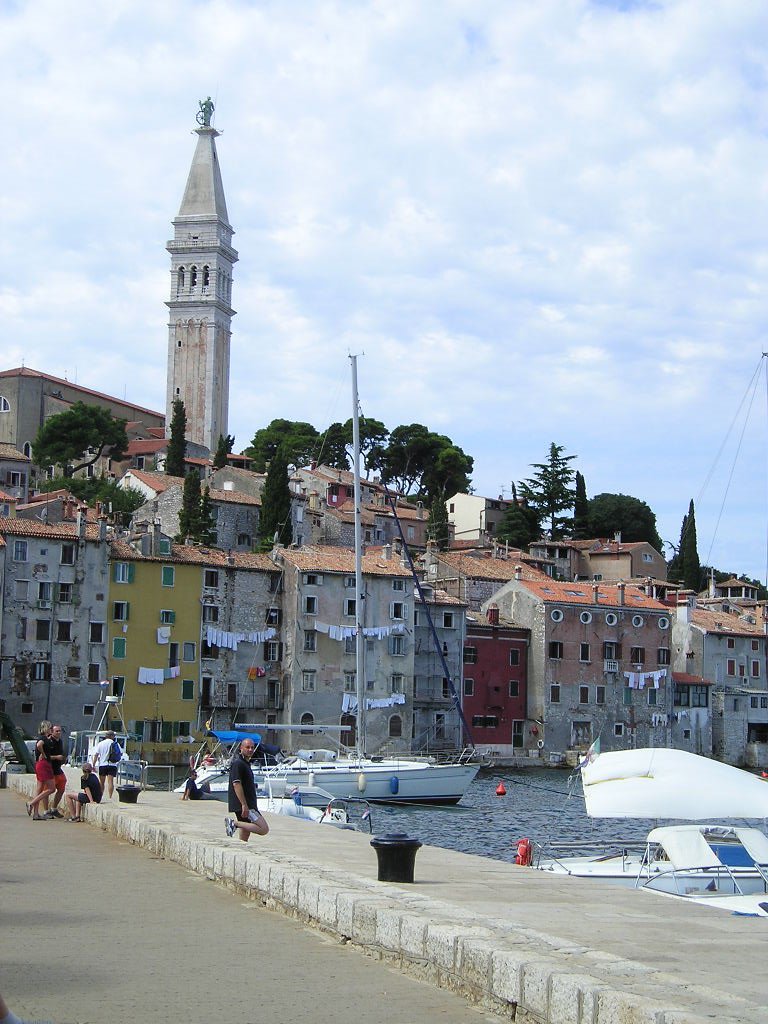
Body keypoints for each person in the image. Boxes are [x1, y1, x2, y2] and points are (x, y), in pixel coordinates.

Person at [225, 738, 269, 842]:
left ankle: (242, 846)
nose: (250, 750)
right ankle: (234, 823)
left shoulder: (245, 763)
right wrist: (244, 805)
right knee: (264, 829)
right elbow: (236, 784)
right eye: (247, 747)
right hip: (246, 805)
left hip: (247, 804)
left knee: (246, 829)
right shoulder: (238, 764)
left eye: (252, 748)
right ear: (241, 748)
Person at [26, 721, 54, 820]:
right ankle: (31, 803)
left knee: (39, 789)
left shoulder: (45, 738)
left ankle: (36, 814)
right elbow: (39, 745)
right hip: (44, 765)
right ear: (46, 728)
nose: (51, 729)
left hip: (39, 764)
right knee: (51, 788)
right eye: (50, 727)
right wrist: (44, 753)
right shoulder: (43, 738)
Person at [44, 724, 67, 818]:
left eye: (60, 731)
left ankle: (54, 808)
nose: (59, 732)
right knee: (47, 790)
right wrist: (56, 757)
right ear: (52, 732)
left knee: (61, 788)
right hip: (49, 770)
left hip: (58, 769)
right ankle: (46, 811)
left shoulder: (60, 741)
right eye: (56, 731)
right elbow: (44, 757)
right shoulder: (48, 741)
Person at [92, 730, 123, 799]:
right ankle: (110, 797)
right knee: (110, 782)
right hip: (112, 765)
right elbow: (120, 753)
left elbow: (96, 755)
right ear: (112, 736)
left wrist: (93, 765)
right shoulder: (115, 744)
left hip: (102, 765)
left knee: (101, 782)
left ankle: (100, 796)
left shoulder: (101, 744)